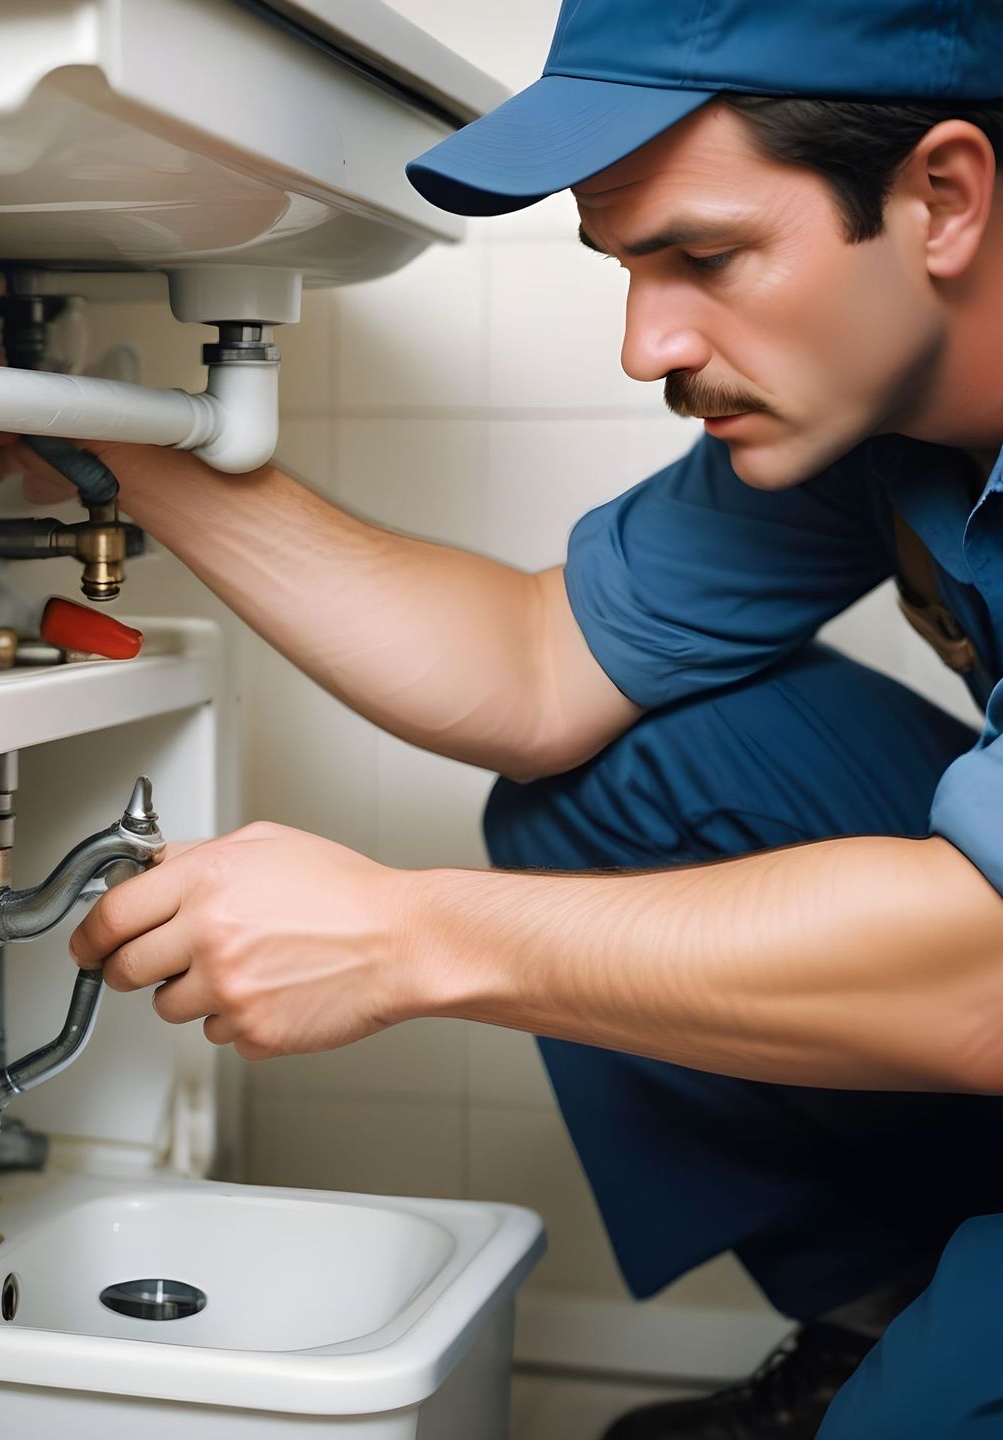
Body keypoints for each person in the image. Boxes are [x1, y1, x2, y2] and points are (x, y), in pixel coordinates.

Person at [53, 3, 1003, 1435]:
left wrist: (405, 936)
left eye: (705, 256)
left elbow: (989, 980)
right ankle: (875, 1334)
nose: (646, 343)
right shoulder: (869, 420)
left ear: (943, 196)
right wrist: (117, 449)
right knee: (626, 772)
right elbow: (534, 668)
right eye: (627, 267)